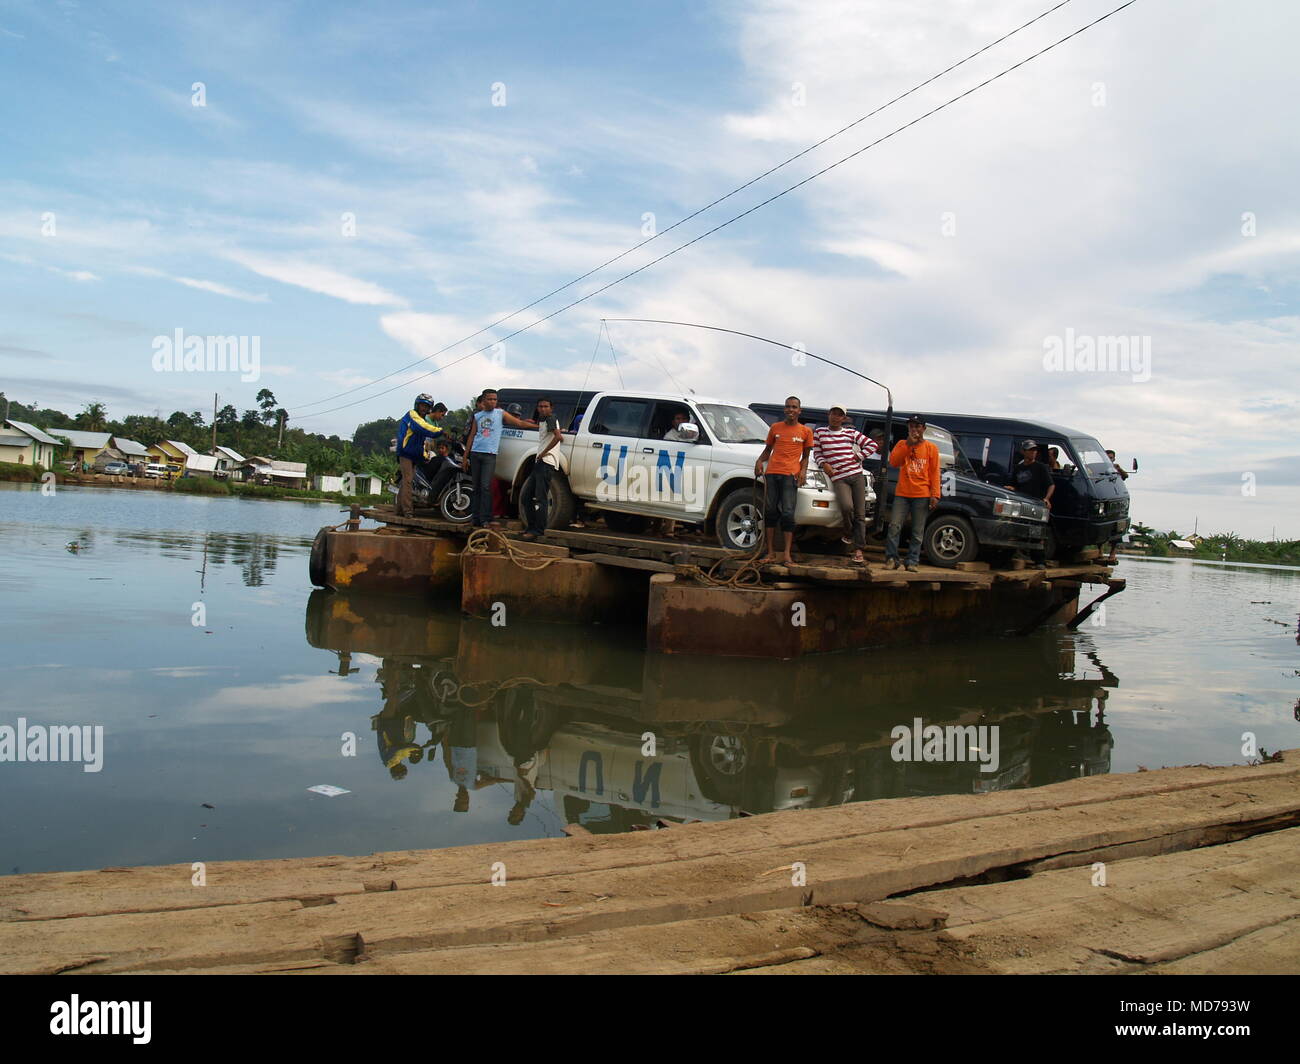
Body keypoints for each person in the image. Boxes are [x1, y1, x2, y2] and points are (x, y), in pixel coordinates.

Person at [462, 388, 536, 529]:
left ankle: (486, 519)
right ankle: (475, 518)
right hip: (476, 453)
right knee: (476, 487)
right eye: (489, 399)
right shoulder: (478, 416)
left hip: (489, 454)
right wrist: (465, 457)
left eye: (494, 399)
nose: (492, 402)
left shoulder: (500, 413)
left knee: (485, 486)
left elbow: (519, 423)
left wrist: (539, 426)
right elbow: (472, 435)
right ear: (483, 401)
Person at [754, 396, 813, 564]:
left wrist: (803, 471)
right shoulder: (775, 428)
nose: (791, 410)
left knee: (788, 513)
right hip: (772, 473)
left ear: (799, 411)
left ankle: (787, 553)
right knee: (770, 512)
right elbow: (767, 450)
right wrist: (759, 461)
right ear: (784, 409)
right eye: (788, 407)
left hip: (790, 475)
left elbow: (806, 456)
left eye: (794, 407)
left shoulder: (806, 431)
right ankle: (771, 552)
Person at [812, 403, 874, 564]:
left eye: (839, 414)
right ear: (829, 414)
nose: (835, 417)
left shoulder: (850, 433)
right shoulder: (820, 433)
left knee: (860, 514)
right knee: (847, 507)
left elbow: (872, 445)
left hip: (856, 474)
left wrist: (858, 456)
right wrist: (824, 464)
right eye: (833, 413)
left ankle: (858, 550)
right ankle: (848, 531)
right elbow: (817, 453)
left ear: (843, 418)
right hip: (839, 476)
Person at [886, 415, 941, 572]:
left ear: (923, 428)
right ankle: (891, 558)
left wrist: (935, 494)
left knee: (917, 531)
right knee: (894, 526)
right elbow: (894, 462)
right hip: (902, 493)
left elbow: (935, 473)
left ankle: (912, 561)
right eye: (911, 426)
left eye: (917, 426)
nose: (914, 429)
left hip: (922, 494)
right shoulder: (902, 444)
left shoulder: (931, 448)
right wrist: (908, 444)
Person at [1004, 439, 1054, 569]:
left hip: (1037, 504)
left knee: (1037, 533)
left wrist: (1047, 499)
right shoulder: (1018, 468)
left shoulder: (1041, 467)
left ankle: (1040, 561)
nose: (1033, 453)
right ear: (1023, 452)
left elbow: (1051, 485)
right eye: (1030, 450)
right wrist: (1011, 488)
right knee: (1018, 530)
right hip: (1022, 503)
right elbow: (1014, 485)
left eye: (1035, 450)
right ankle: (1014, 557)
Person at [395, 394, 445, 516]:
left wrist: (424, 455)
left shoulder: (422, 419)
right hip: (405, 453)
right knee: (408, 481)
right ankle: (408, 511)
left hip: (415, 455)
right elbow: (423, 428)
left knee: (407, 481)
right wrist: (441, 431)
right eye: (422, 405)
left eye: (426, 406)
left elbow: (421, 442)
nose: (424, 408)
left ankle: (399, 509)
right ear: (417, 405)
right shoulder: (412, 415)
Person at [521, 397, 564, 540]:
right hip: (540, 462)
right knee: (527, 496)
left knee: (540, 498)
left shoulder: (550, 419)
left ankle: (538, 530)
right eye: (540, 406)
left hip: (546, 462)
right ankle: (531, 527)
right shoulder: (545, 421)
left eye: (546, 406)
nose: (543, 409)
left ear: (551, 408)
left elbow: (558, 437)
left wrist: (545, 452)